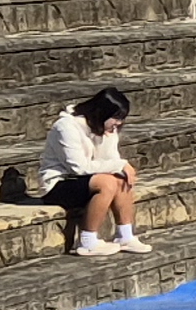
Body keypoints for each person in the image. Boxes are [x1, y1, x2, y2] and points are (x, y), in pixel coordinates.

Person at [41, 88, 146, 258]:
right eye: (116, 118)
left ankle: (125, 235)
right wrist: (120, 164)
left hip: (86, 180)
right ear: (101, 113)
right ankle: (88, 241)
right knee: (108, 182)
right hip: (59, 184)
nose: (118, 123)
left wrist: (107, 138)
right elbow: (78, 167)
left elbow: (109, 159)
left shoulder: (105, 129)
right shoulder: (66, 126)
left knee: (121, 178)